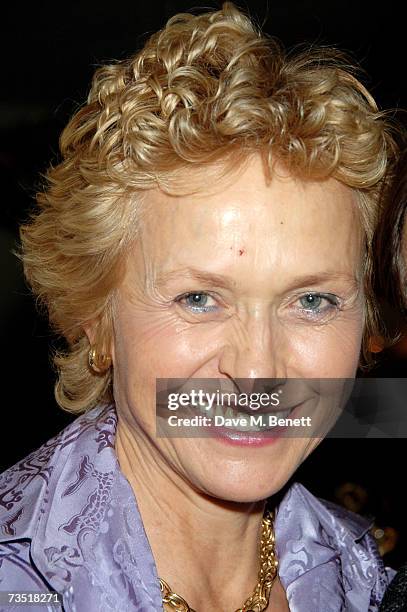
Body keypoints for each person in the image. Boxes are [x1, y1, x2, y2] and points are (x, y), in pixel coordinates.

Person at [0, 3, 400, 610]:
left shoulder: (365, 575)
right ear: (95, 318)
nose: (260, 371)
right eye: (199, 299)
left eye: (313, 300)